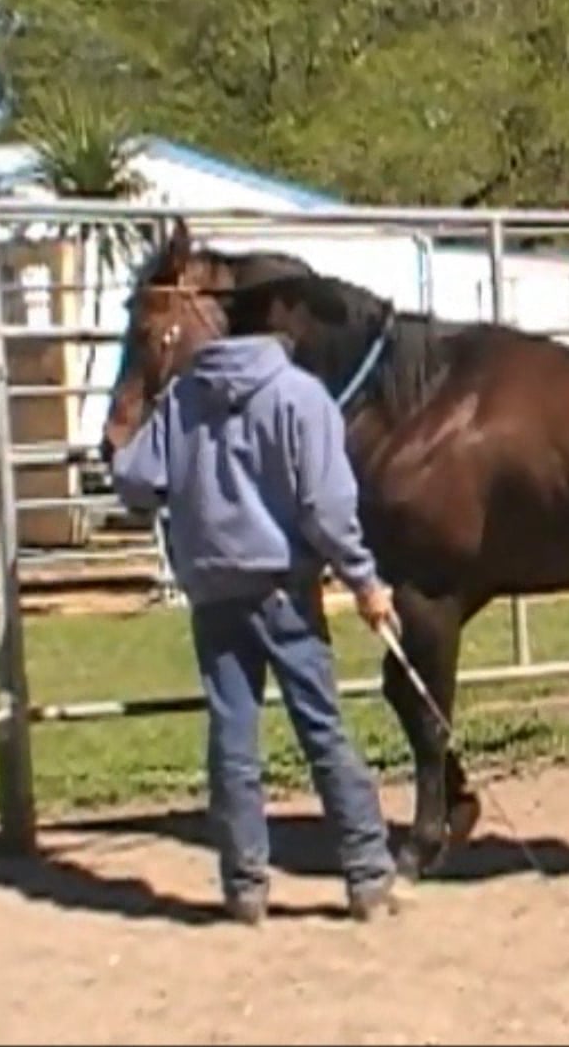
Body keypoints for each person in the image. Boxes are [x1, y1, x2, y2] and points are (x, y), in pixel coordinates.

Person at [110, 324, 401, 926]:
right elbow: (327, 508)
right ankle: (368, 874)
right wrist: (364, 581)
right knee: (321, 728)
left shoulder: (183, 398)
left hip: (213, 586)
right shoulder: (300, 396)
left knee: (232, 736)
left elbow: (135, 478)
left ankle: (245, 887)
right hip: (283, 587)